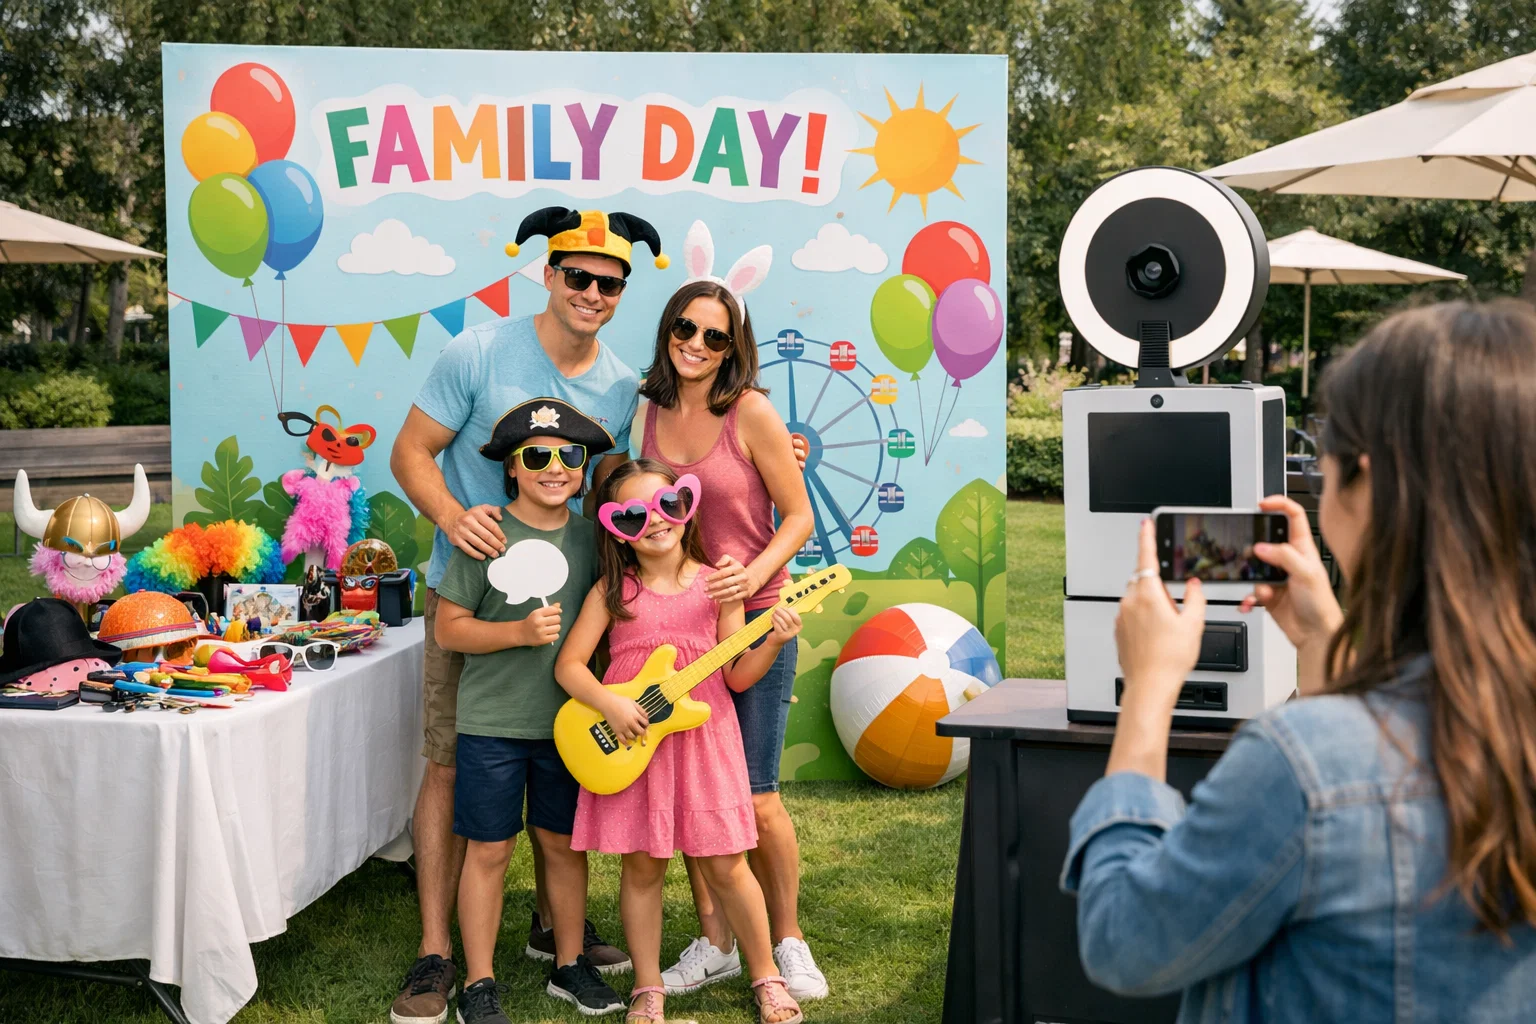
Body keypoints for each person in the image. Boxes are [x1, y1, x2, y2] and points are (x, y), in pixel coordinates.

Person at [1064, 300, 1536, 1022]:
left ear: (1368, 485)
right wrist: (1325, 645)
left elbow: (1125, 941)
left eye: (1328, 458)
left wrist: (1150, 692)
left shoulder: (1298, 766)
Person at [387, 207, 665, 1024]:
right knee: (452, 766)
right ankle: (439, 954)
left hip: (568, 617)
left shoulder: (617, 382)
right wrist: (449, 516)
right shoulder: (476, 350)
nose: (591, 293)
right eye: (577, 276)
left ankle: (557, 936)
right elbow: (410, 450)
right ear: (547, 274)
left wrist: (767, 450)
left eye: (609, 284)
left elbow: (627, 487)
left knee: (561, 775)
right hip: (469, 597)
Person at [555, 460, 806, 1024]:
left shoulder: (720, 582)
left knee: (727, 866)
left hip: (704, 742)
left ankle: (765, 973)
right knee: (643, 868)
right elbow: (570, 666)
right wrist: (611, 704)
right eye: (634, 515)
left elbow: (736, 676)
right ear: (617, 527)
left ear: (685, 507)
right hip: (633, 744)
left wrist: (770, 642)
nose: (654, 522)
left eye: (665, 506)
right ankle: (649, 988)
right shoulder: (611, 591)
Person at [635, 270, 823, 1000]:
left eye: (716, 336)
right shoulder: (647, 415)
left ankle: (788, 937)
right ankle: (713, 938)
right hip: (679, 629)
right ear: (669, 331)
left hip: (756, 618)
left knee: (758, 794)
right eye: (687, 328)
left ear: (732, 347)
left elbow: (798, 516)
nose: (698, 344)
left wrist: (752, 576)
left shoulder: (751, 412)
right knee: (694, 794)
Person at [433, 399, 625, 1023]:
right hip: (492, 724)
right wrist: (516, 633)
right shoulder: (485, 533)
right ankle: (480, 982)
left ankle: (570, 964)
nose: (554, 467)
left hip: (569, 726)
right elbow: (449, 631)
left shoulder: (596, 536)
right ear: (512, 468)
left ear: (583, 466)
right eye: (536, 456)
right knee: (488, 849)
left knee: (565, 846)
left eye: (569, 457)